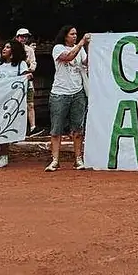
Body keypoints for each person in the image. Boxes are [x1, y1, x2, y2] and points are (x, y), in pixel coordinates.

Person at [46, 25, 90, 171]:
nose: (75, 36)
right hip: (60, 93)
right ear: (65, 36)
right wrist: (82, 43)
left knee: (78, 128)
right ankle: (55, 160)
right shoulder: (58, 48)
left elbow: (86, 62)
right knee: (56, 128)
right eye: (72, 34)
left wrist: (91, 47)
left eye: (76, 34)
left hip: (78, 92)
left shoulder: (81, 49)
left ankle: (78, 159)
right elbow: (68, 57)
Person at [15, 28, 42, 137]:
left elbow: (33, 64)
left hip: (27, 80)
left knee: (30, 104)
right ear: (17, 37)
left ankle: (32, 127)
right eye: (22, 36)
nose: (24, 38)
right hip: (14, 82)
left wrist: (28, 69)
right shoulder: (11, 49)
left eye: (26, 36)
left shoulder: (29, 50)